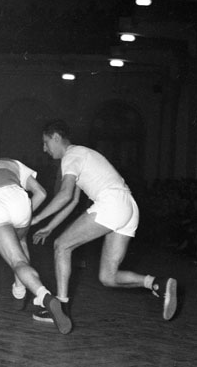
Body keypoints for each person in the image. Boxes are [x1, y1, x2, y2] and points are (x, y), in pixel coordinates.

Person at [31, 119, 178, 324]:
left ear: (56, 137)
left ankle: (61, 307)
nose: (44, 149)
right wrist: (49, 227)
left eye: (46, 142)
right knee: (108, 277)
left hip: (111, 203)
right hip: (128, 207)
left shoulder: (71, 156)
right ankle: (157, 283)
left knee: (61, 246)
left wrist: (36, 218)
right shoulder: (83, 155)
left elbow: (64, 195)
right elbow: (73, 201)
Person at [0, 156, 72, 334]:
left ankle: (43, 296)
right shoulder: (13, 163)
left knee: (17, 261)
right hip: (19, 202)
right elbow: (41, 193)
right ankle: (19, 288)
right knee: (20, 241)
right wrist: (28, 215)